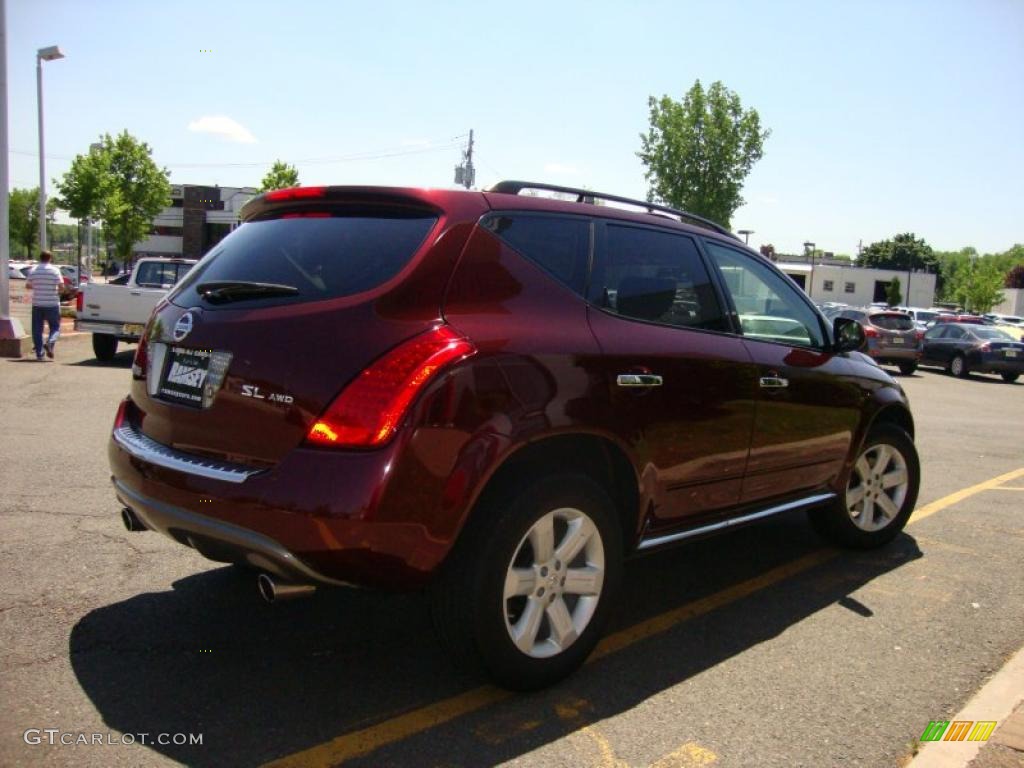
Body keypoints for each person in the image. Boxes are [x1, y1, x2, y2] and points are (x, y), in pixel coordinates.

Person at [25, 250, 63, 361]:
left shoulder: (33, 270)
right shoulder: (55, 271)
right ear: (50, 258)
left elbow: (27, 285)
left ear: (40, 258)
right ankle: (50, 343)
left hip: (37, 303)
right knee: (55, 327)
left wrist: (37, 287)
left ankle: (39, 354)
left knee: (37, 329)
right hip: (52, 303)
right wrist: (58, 291)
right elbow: (61, 286)